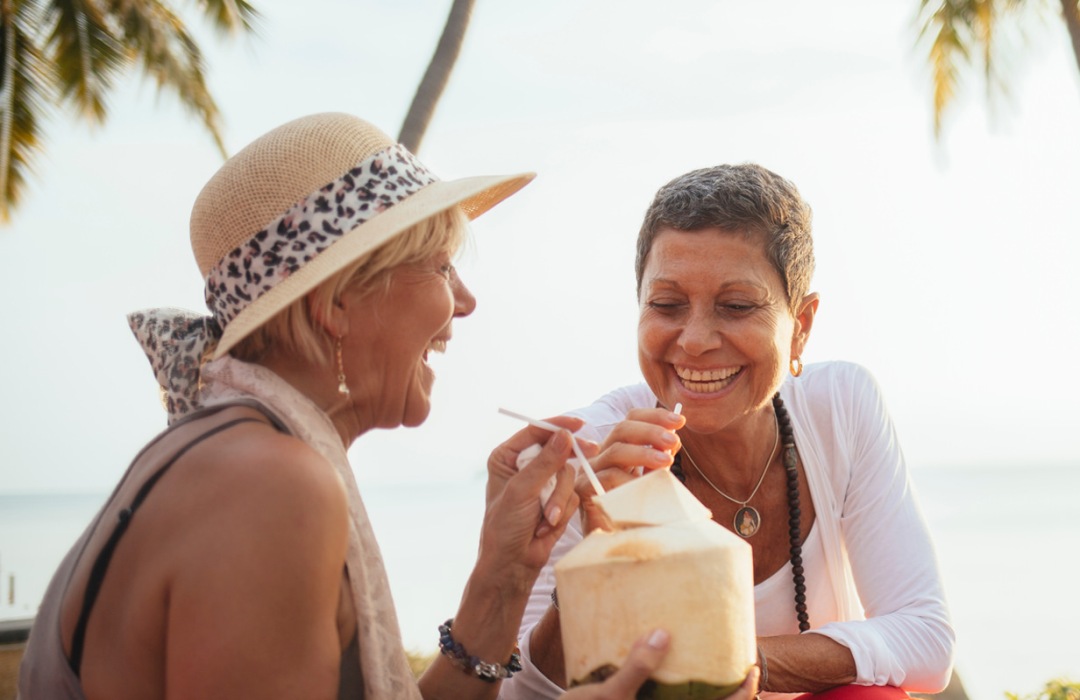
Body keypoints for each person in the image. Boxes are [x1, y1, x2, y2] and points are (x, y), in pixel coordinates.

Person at [15, 114, 759, 700]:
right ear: (338, 302)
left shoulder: (238, 450)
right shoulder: (266, 485)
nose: (464, 303)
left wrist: (503, 575)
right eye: (440, 267)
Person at [500, 164, 956, 699]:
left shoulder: (840, 406)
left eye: (736, 306)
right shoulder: (595, 454)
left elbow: (927, 641)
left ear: (801, 327)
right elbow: (520, 694)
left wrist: (733, 662)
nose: (694, 341)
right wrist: (590, 562)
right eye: (667, 305)